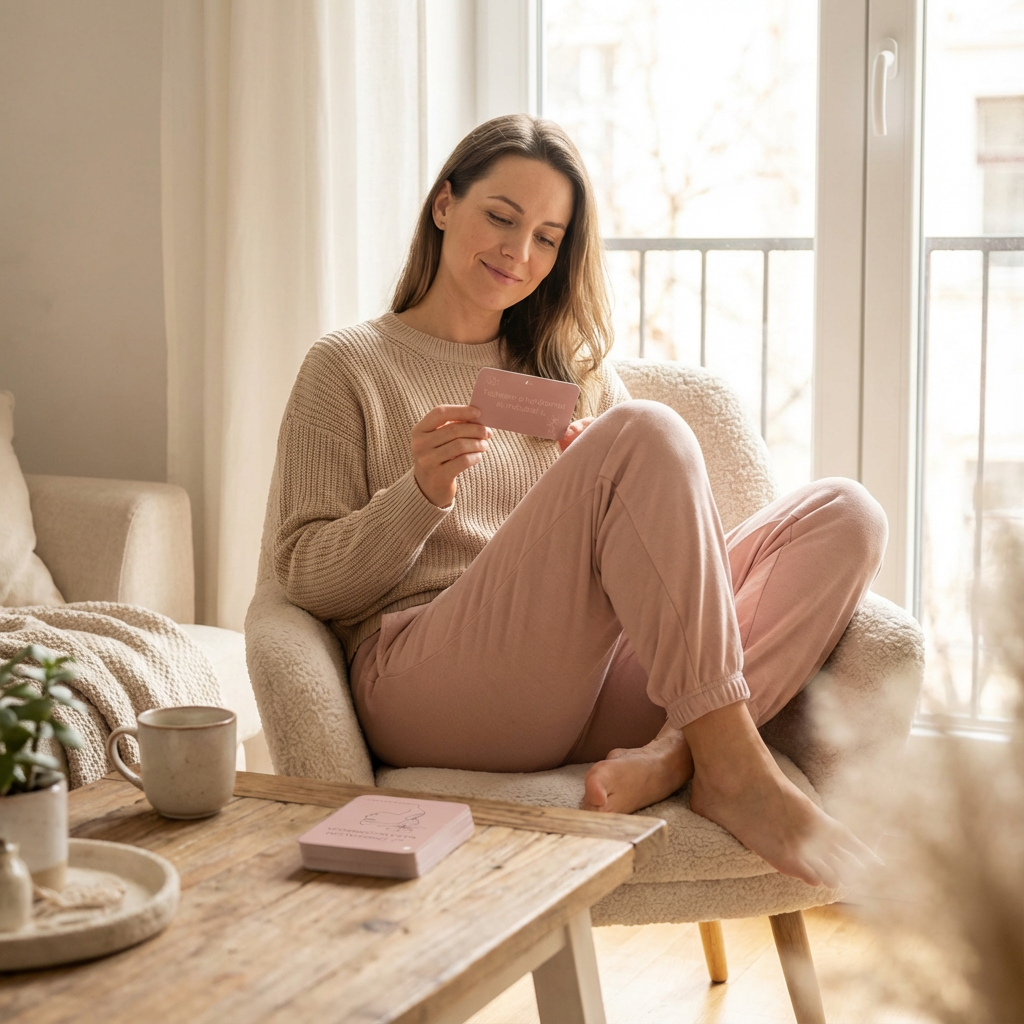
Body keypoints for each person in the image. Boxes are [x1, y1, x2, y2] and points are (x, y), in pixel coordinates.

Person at [272, 114, 886, 888]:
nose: (518, 252)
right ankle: (736, 770)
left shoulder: (570, 372)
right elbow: (302, 578)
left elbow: (675, 581)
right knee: (645, 433)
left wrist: (604, 489)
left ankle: (678, 751)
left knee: (847, 511)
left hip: (590, 686)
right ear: (443, 205)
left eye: (547, 238)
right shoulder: (347, 366)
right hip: (430, 681)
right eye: (500, 217)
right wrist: (420, 495)